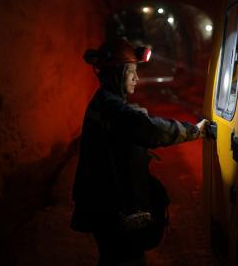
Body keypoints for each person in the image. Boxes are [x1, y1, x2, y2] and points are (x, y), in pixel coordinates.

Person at [71, 38, 209, 266]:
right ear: (117, 74)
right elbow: (149, 129)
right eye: (131, 71)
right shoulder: (111, 107)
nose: (137, 77)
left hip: (103, 202)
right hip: (109, 207)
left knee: (114, 258)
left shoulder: (106, 102)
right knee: (126, 259)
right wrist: (194, 130)